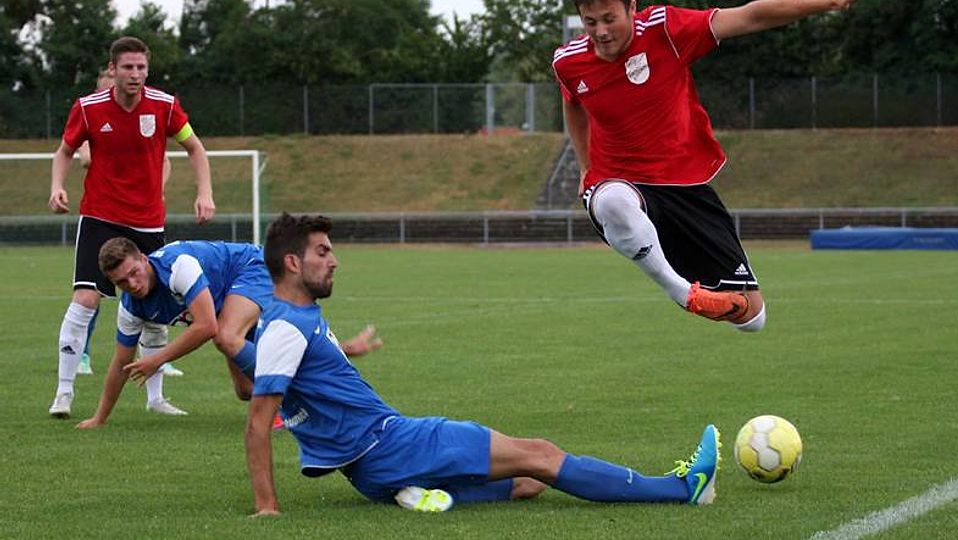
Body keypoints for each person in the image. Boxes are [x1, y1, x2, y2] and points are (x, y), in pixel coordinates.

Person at [244, 213, 720, 515]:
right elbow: (259, 422)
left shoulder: (288, 321)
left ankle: (416, 493)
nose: (334, 260)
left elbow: (302, 373)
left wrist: (345, 350)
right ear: (292, 263)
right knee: (541, 454)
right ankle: (682, 488)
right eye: (322, 251)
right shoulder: (287, 327)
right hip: (393, 445)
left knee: (527, 483)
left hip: (372, 469)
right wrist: (267, 508)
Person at [552, 0, 855, 331]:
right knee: (612, 201)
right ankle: (682, 293)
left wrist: (828, 3)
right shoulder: (568, 61)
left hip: (683, 185)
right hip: (617, 180)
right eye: (591, 22)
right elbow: (572, 102)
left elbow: (750, 16)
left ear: (631, 8)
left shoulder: (664, 29)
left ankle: (708, 293)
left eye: (610, 19)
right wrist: (586, 167)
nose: (601, 32)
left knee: (752, 318)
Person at [47, 36, 215, 418]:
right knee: (85, 299)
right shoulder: (88, 108)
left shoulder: (164, 106)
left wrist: (204, 193)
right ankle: (64, 393)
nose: (135, 74)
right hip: (100, 217)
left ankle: (156, 399)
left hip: (148, 222)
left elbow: (195, 148)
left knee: (155, 310)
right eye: (127, 67)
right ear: (113, 69)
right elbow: (64, 152)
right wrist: (57, 186)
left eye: (141, 67)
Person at [75, 237, 383, 428]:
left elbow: (206, 327)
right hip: (225, 300)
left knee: (225, 335)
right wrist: (99, 417)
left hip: (252, 267)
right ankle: (333, 354)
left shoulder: (178, 267)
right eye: (122, 282)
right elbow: (121, 363)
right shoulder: (131, 308)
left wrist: (157, 360)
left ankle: (293, 403)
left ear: (144, 259)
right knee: (245, 391)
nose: (132, 284)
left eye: (134, 272)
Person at [74, 69, 183, 379]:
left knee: (151, 284)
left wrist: (154, 188)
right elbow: (83, 156)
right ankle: (82, 354)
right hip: (105, 216)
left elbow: (164, 160)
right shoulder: (92, 117)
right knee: (91, 292)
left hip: (143, 218)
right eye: (104, 90)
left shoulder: (147, 117)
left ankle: (158, 357)